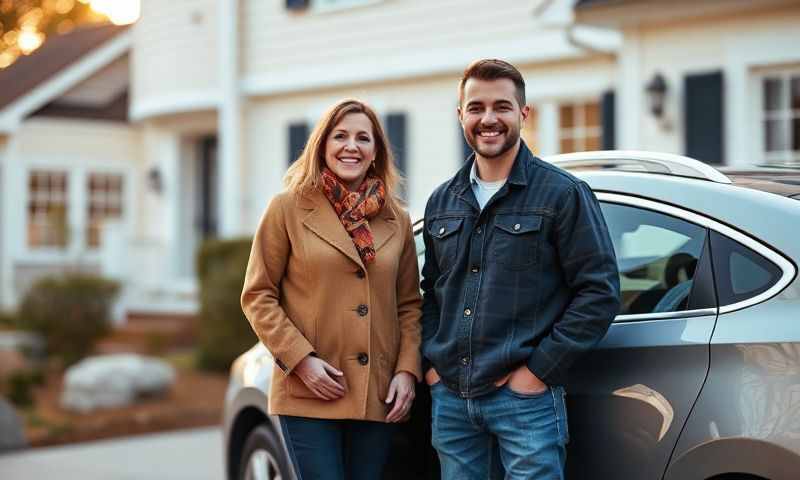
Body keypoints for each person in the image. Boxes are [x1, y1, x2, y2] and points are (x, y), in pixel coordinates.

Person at [420, 59, 621, 479]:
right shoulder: (442, 201)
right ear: (461, 116)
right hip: (452, 401)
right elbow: (431, 293)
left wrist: (537, 373)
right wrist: (433, 367)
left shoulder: (563, 194)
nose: (488, 119)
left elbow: (598, 293)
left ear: (523, 115)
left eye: (501, 107)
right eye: (475, 108)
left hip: (525, 401)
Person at [241, 99, 422, 480]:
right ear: (322, 145)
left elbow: (408, 305)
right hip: (310, 391)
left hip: (377, 394)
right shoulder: (287, 208)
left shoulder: (399, 220)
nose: (351, 146)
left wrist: (407, 371)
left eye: (363, 138)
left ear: (376, 152)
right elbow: (258, 295)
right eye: (340, 136)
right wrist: (301, 360)